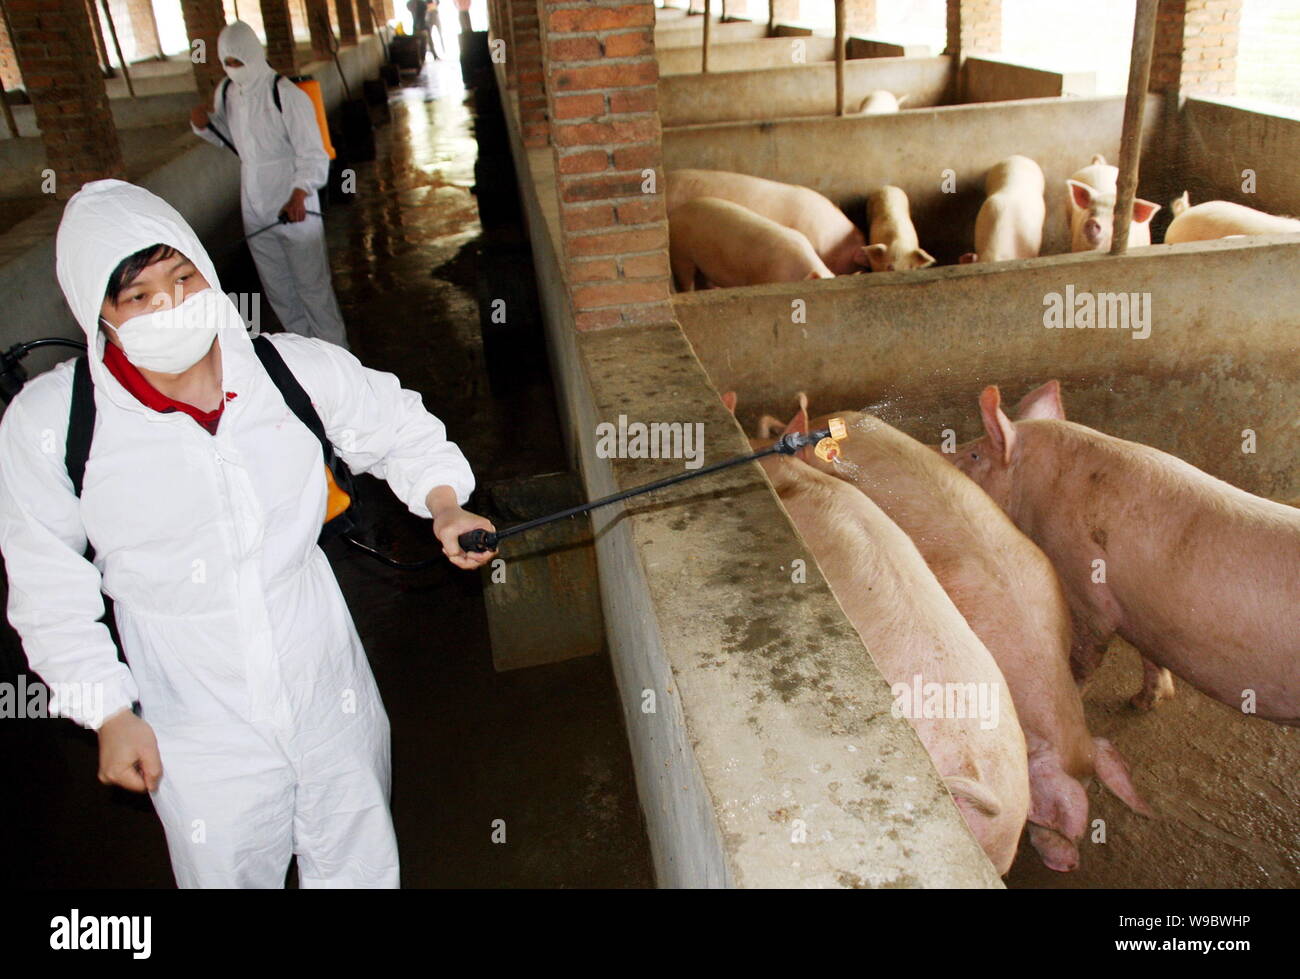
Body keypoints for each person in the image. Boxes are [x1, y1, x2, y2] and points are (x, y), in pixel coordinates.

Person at [0, 179, 498, 888]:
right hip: (193, 719)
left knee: (357, 858)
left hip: (324, 680)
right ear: (97, 314)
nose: (170, 305)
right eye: (138, 297)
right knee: (229, 870)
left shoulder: (285, 371)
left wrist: (443, 503)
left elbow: (397, 426)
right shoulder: (54, 425)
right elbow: (47, 583)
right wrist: (107, 708)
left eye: (183, 277)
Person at [190, 22, 350, 349]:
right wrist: (204, 126)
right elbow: (233, 139)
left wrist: (299, 193)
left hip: (295, 202)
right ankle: (305, 358)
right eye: (227, 63)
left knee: (312, 288)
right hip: (255, 201)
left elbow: (313, 154)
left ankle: (339, 358)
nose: (233, 70)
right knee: (279, 290)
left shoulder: (286, 95)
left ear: (252, 54)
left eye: (238, 61)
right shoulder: (227, 93)